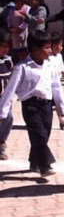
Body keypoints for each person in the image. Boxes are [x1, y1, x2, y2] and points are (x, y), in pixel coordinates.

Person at [0, 30, 63, 177]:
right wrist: (3, 111)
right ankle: (45, 165)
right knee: (39, 134)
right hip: (30, 105)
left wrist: (61, 109)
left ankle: (34, 161)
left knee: (44, 134)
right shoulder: (21, 67)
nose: (50, 51)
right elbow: (10, 90)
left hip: (47, 105)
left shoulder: (50, 66)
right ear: (35, 50)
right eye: (46, 48)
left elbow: (56, 86)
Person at [49, 32, 64, 129]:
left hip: (57, 84)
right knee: (49, 104)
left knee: (59, 102)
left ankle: (61, 121)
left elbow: (61, 68)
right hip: (48, 85)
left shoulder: (59, 56)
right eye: (60, 45)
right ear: (53, 46)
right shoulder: (47, 57)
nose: (61, 47)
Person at [0, 31, 14, 160]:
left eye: (7, 46)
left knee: (8, 118)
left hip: (5, 98)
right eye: (2, 46)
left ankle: (1, 141)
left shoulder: (7, 61)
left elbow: (12, 76)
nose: (5, 49)